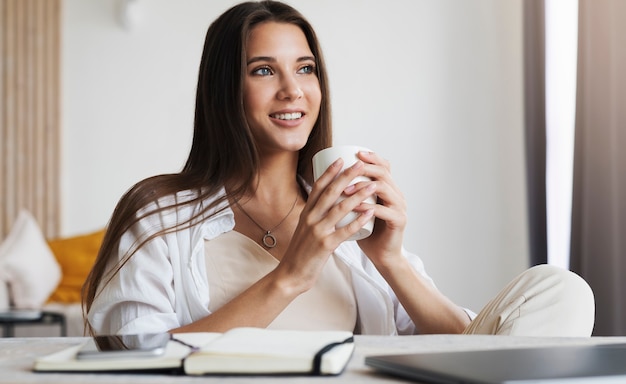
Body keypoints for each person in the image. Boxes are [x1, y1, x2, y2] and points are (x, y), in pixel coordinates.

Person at [82, 0, 594, 337]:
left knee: (561, 290)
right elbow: (131, 356)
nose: (293, 90)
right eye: (264, 70)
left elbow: (461, 348)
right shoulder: (158, 212)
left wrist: (389, 259)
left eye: (305, 69)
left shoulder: (348, 216)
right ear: (224, 89)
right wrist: (292, 274)